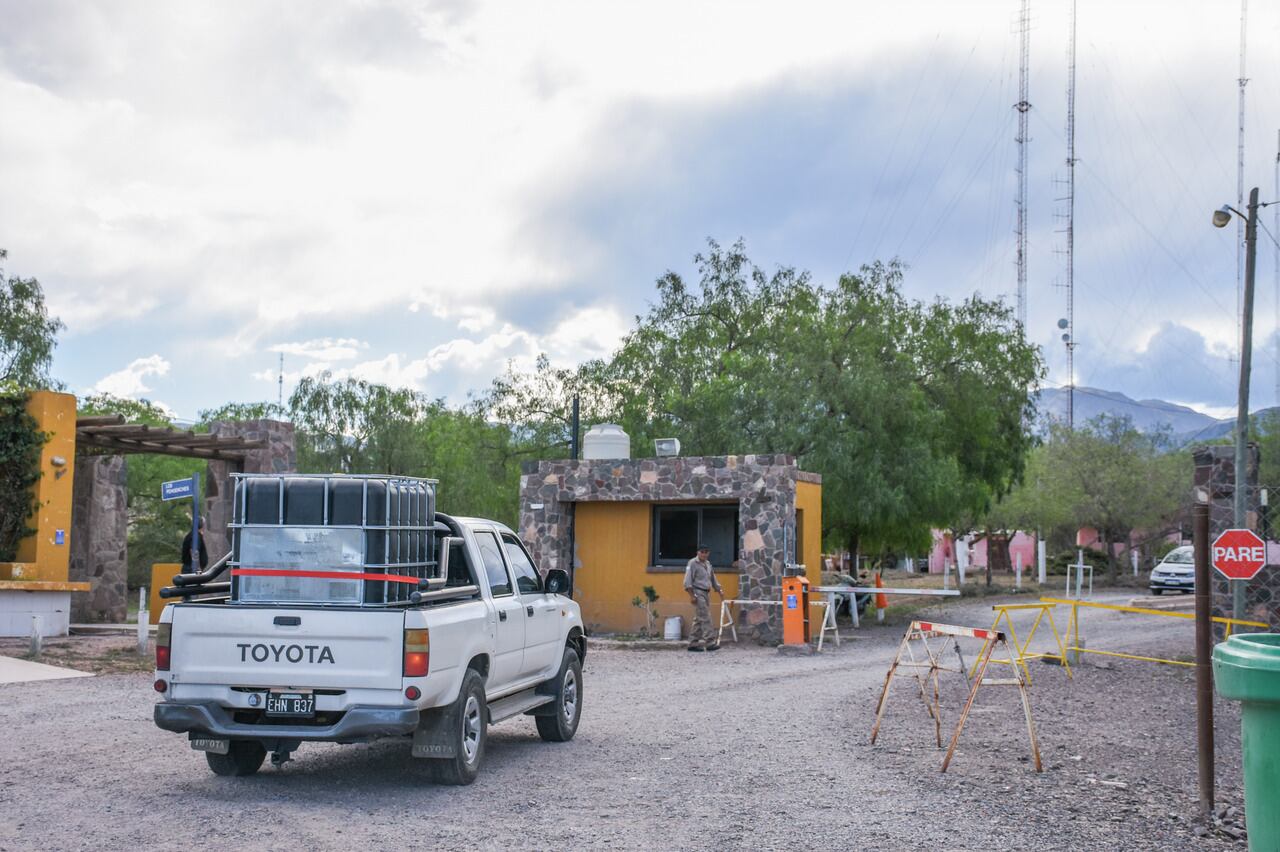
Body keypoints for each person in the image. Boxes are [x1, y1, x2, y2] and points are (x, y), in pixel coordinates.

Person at [683, 544, 723, 652]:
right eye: (702, 552)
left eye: (706, 552)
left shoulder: (708, 564)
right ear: (698, 552)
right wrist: (692, 596)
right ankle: (710, 642)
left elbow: (713, 578)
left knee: (699, 618)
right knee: (705, 617)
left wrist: (718, 589)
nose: (704, 554)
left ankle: (692, 643)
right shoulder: (692, 563)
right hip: (697, 592)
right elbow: (687, 581)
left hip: (706, 593)